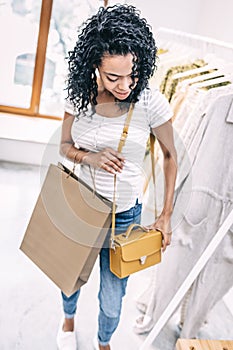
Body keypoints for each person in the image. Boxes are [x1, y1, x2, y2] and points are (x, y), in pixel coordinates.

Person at [56, 4, 177, 350]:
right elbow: (64, 146)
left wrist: (166, 215)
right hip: (80, 206)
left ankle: (104, 342)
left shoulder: (151, 102)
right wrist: (89, 157)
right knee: (70, 278)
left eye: (133, 75)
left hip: (124, 216)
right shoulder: (77, 98)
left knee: (113, 297)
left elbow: (170, 155)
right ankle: (67, 322)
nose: (125, 85)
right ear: (95, 65)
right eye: (114, 77)